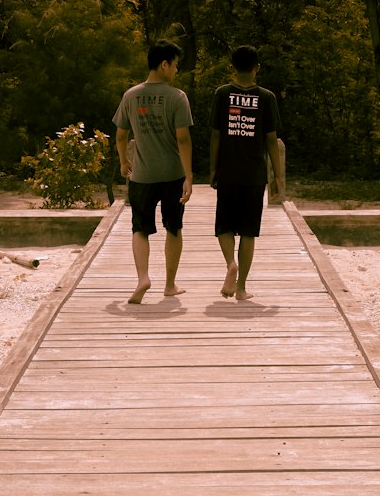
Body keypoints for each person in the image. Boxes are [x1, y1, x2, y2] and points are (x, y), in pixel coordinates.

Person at [114, 40, 194, 304]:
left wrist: (124, 162)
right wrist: (189, 176)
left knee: (140, 228)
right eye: (175, 65)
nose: (176, 71)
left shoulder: (130, 95)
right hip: (172, 175)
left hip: (142, 176)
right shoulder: (177, 97)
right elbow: (183, 139)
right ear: (164, 64)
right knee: (174, 228)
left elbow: (121, 134)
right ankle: (170, 285)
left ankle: (143, 278)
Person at [209, 45, 284, 300]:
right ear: (256, 68)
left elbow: (216, 136)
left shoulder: (222, 94)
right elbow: (272, 140)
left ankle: (230, 263)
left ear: (233, 68)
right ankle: (241, 288)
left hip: (228, 171)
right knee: (249, 231)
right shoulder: (266, 98)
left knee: (224, 226)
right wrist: (278, 176)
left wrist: (213, 168)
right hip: (254, 174)